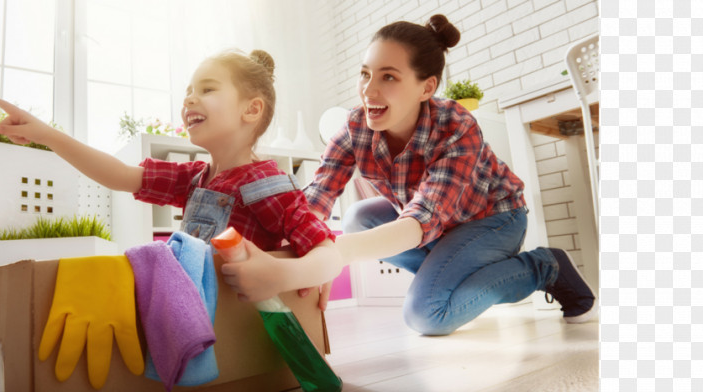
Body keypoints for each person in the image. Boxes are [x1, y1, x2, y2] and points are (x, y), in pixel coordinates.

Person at [221, 15, 597, 336]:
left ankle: (544, 266)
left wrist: (332, 256)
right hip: (438, 229)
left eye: (389, 77)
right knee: (357, 219)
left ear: (426, 87)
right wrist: (286, 254)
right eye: (366, 74)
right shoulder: (355, 127)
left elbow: (421, 219)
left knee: (427, 315)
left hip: (494, 219)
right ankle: (452, 277)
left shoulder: (456, 126)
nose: (369, 90)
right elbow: (315, 200)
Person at [0, 49, 341, 289]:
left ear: (251, 110)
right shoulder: (194, 177)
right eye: (188, 91)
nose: (188, 99)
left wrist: (282, 275)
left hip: (233, 320)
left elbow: (327, 251)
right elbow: (119, 175)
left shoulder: (266, 183)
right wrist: (46, 134)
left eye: (207, 89)